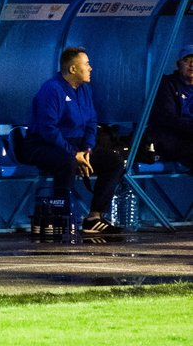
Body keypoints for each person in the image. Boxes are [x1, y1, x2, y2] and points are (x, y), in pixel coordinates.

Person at [20, 47, 126, 237]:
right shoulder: (52, 89)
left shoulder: (85, 89)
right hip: (42, 145)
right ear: (73, 69)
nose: (90, 68)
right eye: (87, 64)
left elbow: (91, 122)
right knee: (67, 162)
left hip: (77, 147)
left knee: (114, 161)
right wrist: (73, 153)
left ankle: (94, 217)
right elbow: (48, 129)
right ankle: (61, 217)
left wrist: (87, 150)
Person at [147, 45, 193, 169]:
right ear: (179, 64)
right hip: (170, 138)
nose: (192, 64)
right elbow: (168, 118)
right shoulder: (167, 84)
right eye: (187, 60)